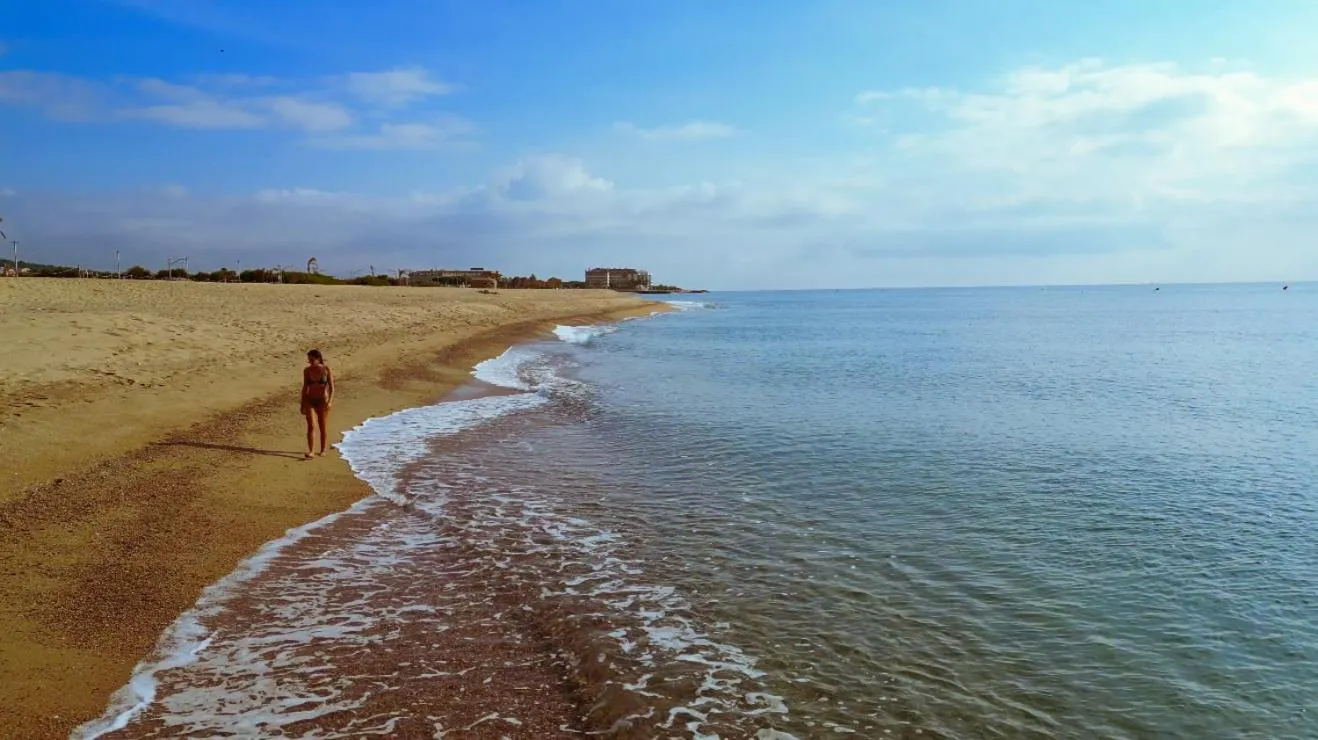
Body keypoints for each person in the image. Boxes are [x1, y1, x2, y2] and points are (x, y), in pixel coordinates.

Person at [301, 349, 334, 458]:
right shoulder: (307, 371)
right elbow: (305, 387)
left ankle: (323, 449)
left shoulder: (326, 369)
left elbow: (332, 388)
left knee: (322, 425)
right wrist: (302, 403)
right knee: (311, 426)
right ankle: (311, 451)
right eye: (309, 360)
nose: (310, 362)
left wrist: (330, 401)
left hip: (322, 401)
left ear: (318, 359)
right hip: (310, 399)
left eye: (312, 360)